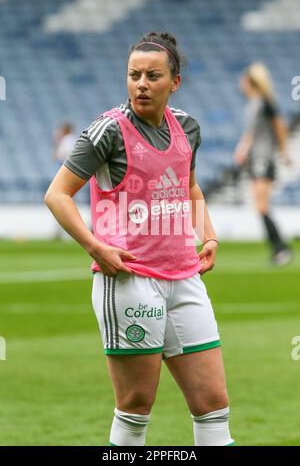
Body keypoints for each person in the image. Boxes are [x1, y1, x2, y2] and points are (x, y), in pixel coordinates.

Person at [45, 31, 234, 447]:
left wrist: (208, 234)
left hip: (185, 278)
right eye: (133, 75)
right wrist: (96, 247)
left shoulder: (187, 126)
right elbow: (56, 195)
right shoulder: (106, 131)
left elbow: (190, 188)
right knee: (136, 405)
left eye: (152, 75)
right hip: (130, 280)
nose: (141, 84)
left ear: (175, 81)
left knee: (213, 403)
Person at [234, 62, 293, 266]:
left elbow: (280, 126)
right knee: (260, 206)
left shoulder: (263, 102)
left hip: (263, 159)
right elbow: (251, 133)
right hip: (256, 159)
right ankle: (280, 247)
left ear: (251, 82)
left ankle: (281, 248)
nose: (241, 84)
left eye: (244, 80)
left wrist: (284, 152)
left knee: (261, 206)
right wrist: (243, 151)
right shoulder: (253, 104)